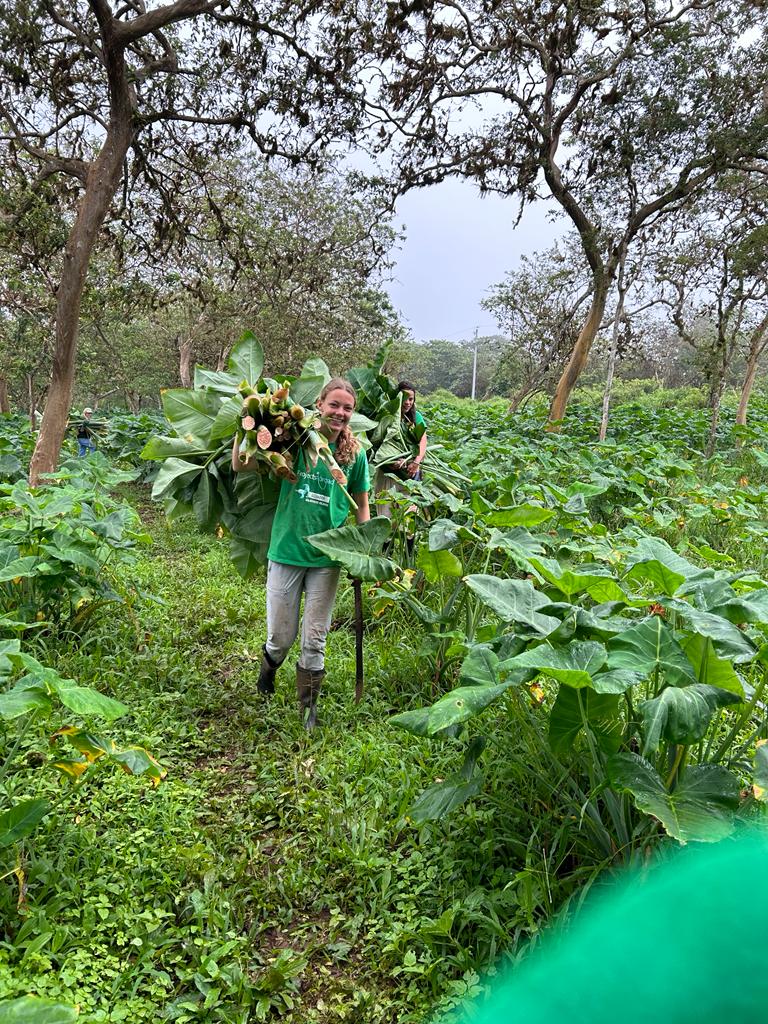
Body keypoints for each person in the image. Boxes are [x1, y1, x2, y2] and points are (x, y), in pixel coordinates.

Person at [233, 378, 370, 729]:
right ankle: (268, 669)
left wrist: (362, 550)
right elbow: (241, 465)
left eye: (347, 408)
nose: (340, 412)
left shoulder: (356, 455)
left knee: (314, 639)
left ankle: (309, 709)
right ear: (319, 404)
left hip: (328, 557)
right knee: (280, 638)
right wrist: (244, 426)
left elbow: (362, 506)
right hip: (286, 551)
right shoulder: (293, 439)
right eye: (334, 404)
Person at [375, 380, 428, 518]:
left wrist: (416, 462)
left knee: (409, 514)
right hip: (388, 473)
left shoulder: (416, 417)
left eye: (411, 399)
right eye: (404, 398)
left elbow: (423, 441)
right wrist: (389, 463)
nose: (407, 402)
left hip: (410, 472)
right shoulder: (387, 414)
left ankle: (408, 539)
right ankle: (387, 540)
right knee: (386, 514)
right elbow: (377, 445)